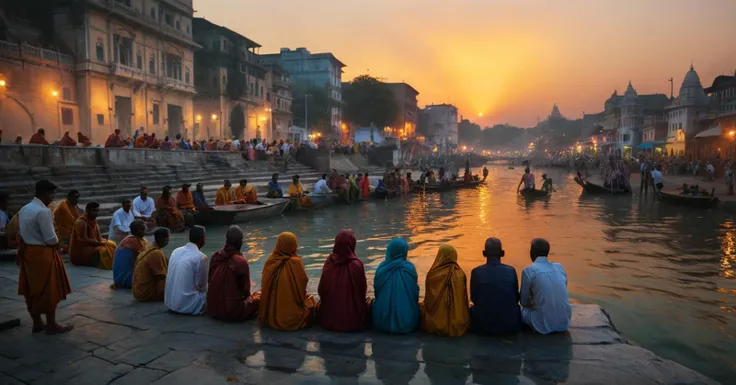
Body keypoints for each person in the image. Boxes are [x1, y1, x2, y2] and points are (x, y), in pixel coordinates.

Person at [16, 180, 73, 334]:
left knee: (32, 288)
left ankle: (37, 323)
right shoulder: (43, 212)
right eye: (52, 194)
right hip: (43, 253)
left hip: (28, 252)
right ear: (46, 193)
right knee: (48, 288)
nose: (52, 198)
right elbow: (50, 239)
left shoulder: (24, 209)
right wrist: (58, 243)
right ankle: (51, 324)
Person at [258, 232, 316, 330]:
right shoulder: (295, 262)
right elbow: (301, 293)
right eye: (295, 243)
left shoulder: (270, 261)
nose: (297, 246)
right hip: (293, 319)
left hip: (269, 317)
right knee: (312, 302)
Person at [318, 230, 370, 332]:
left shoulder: (329, 262)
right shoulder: (357, 265)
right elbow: (361, 293)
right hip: (353, 323)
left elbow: (321, 290)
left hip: (327, 322)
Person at [207, 226, 261, 322]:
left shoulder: (215, 256)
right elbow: (246, 292)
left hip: (212, 308)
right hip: (231, 312)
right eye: (241, 240)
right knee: (259, 298)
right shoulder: (240, 262)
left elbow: (209, 280)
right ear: (238, 242)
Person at [470, 238, 521, 335]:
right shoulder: (511, 271)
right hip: (510, 326)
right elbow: (515, 298)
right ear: (502, 253)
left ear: (484, 253)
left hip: (483, 326)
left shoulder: (476, 272)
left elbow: (474, 299)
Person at [520, 238, 571, 334]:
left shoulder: (528, 271)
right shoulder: (560, 267)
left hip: (542, 326)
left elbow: (524, 302)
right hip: (564, 324)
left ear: (532, 253)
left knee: (522, 310)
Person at [421, 244, 470, 337]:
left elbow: (428, 302)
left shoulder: (432, 274)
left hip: (432, 325)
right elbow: (463, 302)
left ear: (439, 256)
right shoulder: (460, 274)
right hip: (458, 326)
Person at [372, 238, 420, 334]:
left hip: (380, 322)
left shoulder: (381, 269)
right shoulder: (409, 268)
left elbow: (377, 292)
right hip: (408, 323)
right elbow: (415, 294)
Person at [165, 226, 208, 314]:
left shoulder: (176, 251)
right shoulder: (201, 257)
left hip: (170, 303)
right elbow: (202, 287)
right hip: (187, 306)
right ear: (202, 239)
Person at [69, 202, 117, 269]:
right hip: (82, 249)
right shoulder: (82, 222)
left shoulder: (94, 221)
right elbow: (83, 240)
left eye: (97, 211)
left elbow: (98, 237)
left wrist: (103, 241)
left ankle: (114, 263)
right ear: (88, 210)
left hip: (92, 245)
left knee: (112, 244)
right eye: (94, 210)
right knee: (103, 250)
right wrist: (98, 243)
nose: (96, 213)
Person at [133, 228, 170, 302]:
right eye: (167, 239)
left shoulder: (149, 246)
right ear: (162, 239)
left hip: (137, 290)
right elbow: (161, 276)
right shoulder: (156, 253)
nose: (168, 241)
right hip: (145, 293)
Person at [111, 220, 147, 289]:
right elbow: (136, 262)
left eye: (144, 228)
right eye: (141, 229)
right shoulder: (133, 241)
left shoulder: (138, 239)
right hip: (125, 278)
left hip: (121, 278)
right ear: (135, 231)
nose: (144, 231)